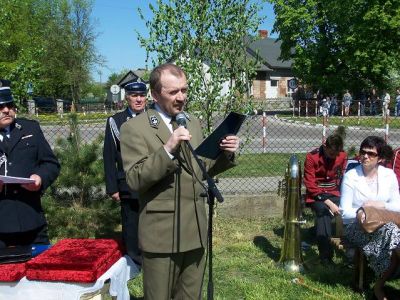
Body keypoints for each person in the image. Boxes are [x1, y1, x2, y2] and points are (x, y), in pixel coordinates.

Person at [120, 63, 240, 300]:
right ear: (155, 95)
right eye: (173, 92)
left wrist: (227, 153)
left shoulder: (191, 122)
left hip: (194, 229)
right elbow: (134, 179)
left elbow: (200, 168)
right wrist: (167, 149)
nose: (181, 97)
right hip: (161, 234)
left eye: (184, 90)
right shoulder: (134, 128)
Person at [0, 79, 60, 248]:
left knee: (40, 271)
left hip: (31, 219)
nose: (6, 110)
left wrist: (40, 177)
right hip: (1, 224)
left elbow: (51, 164)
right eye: (0, 107)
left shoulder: (30, 129)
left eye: (10, 105)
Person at [340, 136, 400, 300]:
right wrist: (363, 210)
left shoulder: (389, 175)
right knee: (393, 233)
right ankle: (381, 285)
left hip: (384, 224)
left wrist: (380, 205)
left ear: (380, 158)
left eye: (371, 154)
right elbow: (344, 212)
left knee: (390, 231)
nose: (365, 156)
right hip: (355, 226)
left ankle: (380, 284)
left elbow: (398, 205)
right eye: (363, 152)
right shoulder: (351, 176)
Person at [103, 81, 147, 265]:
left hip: (152, 180)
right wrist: (113, 187)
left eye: (142, 95)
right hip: (127, 182)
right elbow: (109, 155)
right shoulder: (116, 121)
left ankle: (151, 256)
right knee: (131, 223)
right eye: (134, 95)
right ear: (127, 97)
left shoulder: (154, 119)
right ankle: (133, 259)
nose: (138, 99)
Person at [303, 134, 347, 264]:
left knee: (350, 208)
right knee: (323, 212)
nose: (334, 157)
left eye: (336, 154)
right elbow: (310, 184)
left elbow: (341, 177)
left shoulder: (343, 156)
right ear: (325, 146)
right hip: (316, 194)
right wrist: (328, 202)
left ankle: (353, 251)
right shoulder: (312, 157)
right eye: (331, 154)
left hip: (334, 192)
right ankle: (325, 256)